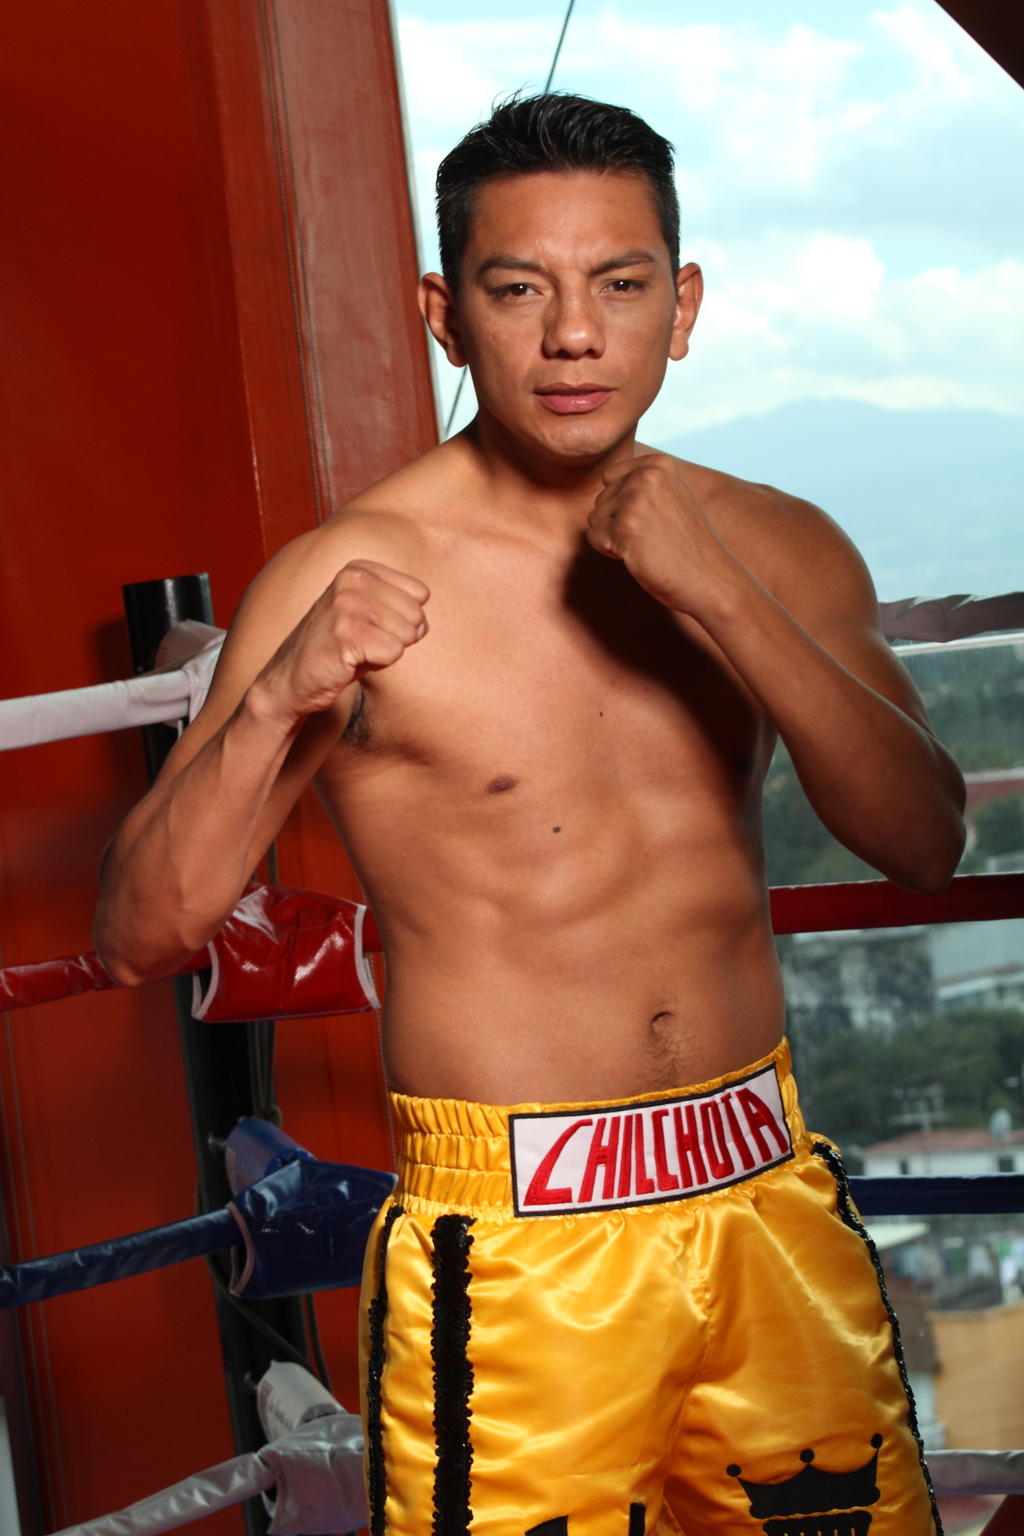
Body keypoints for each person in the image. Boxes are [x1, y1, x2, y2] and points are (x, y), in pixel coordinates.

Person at [95, 94, 965, 1535]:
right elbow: (142, 932)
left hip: (767, 1198)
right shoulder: (350, 571)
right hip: (517, 1242)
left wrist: (719, 593)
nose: (574, 335)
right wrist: (273, 698)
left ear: (682, 305)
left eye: (619, 283)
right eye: (519, 289)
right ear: (446, 316)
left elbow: (925, 843)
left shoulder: (778, 540)